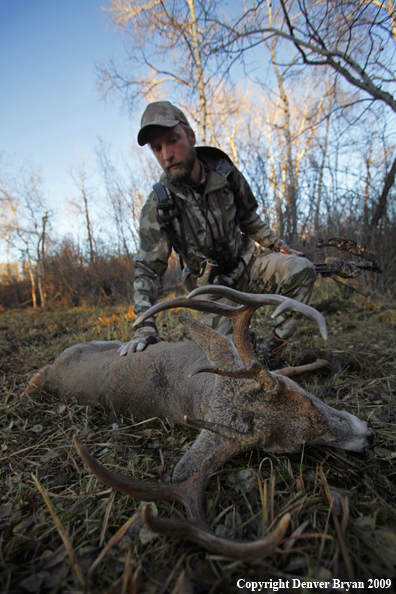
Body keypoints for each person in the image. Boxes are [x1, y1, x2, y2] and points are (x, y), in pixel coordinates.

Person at [119, 101, 316, 368]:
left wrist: (278, 246)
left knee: (301, 269)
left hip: (247, 266)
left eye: (172, 140)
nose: (166, 154)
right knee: (229, 364)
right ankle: (244, 341)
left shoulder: (224, 171)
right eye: (157, 148)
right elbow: (147, 269)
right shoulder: (159, 203)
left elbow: (249, 218)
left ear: (190, 136)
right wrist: (145, 327)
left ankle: (276, 348)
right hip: (210, 291)